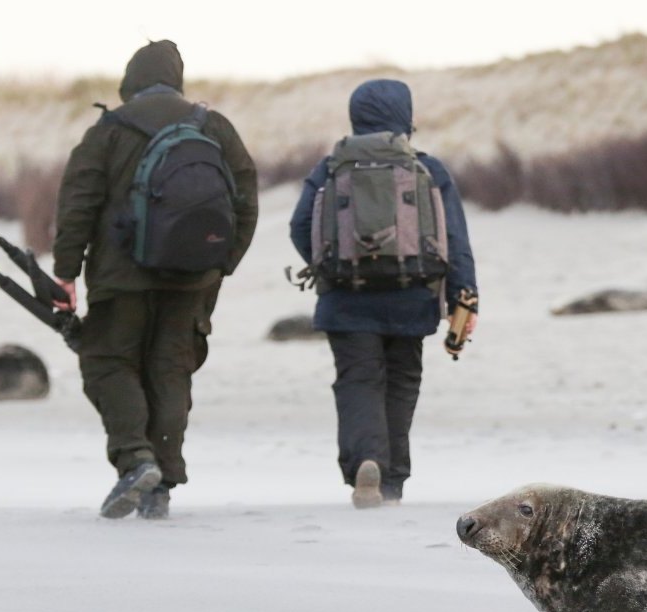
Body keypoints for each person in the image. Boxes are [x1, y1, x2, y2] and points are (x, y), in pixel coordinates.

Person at [51, 40, 259, 520]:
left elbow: (77, 204)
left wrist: (65, 272)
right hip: (192, 278)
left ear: (131, 81)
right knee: (171, 371)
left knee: (108, 362)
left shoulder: (108, 130)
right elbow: (245, 200)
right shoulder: (214, 126)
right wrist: (220, 264)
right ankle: (161, 483)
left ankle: (134, 460)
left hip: (119, 279)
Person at [289, 79, 477, 509]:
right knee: (401, 382)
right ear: (405, 117)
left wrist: (329, 268)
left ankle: (365, 463)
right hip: (413, 297)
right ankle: (391, 480)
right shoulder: (428, 168)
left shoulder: (330, 168)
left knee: (358, 381)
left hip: (345, 300)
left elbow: (301, 226)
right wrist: (464, 298)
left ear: (355, 116)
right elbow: (454, 240)